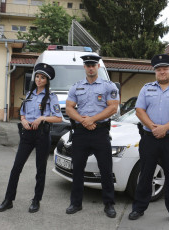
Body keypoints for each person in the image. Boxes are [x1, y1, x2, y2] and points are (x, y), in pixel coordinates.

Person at [128, 54, 169, 225]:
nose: (162, 72)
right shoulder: (146, 88)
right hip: (149, 139)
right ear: (155, 72)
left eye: (165, 69)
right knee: (145, 175)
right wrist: (153, 127)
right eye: (158, 69)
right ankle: (138, 208)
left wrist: (165, 128)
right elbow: (139, 110)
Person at [0, 63, 62, 213]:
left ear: (47, 80)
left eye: (42, 78)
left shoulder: (51, 97)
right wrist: (23, 120)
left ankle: (36, 200)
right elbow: (22, 113)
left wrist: (42, 118)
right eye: (37, 76)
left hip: (42, 135)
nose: (39, 80)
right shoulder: (29, 95)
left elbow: (58, 118)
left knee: (40, 170)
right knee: (16, 167)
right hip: (27, 135)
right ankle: (8, 200)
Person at [65, 54, 119, 218]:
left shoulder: (108, 86)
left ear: (98, 67)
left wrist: (91, 120)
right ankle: (76, 203)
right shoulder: (76, 87)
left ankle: (109, 204)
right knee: (78, 169)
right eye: (87, 65)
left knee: (106, 169)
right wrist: (83, 120)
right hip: (81, 132)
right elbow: (69, 108)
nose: (90, 67)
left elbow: (113, 108)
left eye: (93, 65)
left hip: (100, 132)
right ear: (84, 67)